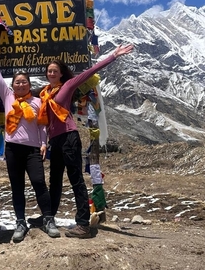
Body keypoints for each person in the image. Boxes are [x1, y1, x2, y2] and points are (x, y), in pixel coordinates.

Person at [35, 44, 134, 239]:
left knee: (75, 180)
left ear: (62, 73)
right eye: (49, 71)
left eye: (55, 70)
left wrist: (113, 55)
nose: (51, 73)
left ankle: (83, 224)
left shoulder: (68, 86)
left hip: (69, 138)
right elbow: (47, 122)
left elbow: (91, 71)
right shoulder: (44, 94)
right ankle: (48, 217)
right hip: (55, 140)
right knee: (54, 181)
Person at [0, 49, 57, 242]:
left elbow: (41, 125)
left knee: (39, 182)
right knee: (17, 187)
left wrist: (43, 144)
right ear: (13, 85)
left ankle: (48, 219)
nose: (21, 84)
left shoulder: (38, 101)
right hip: (13, 149)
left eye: (24, 82)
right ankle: (20, 222)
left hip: (33, 149)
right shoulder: (8, 97)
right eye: (17, 82)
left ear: (30, 85)